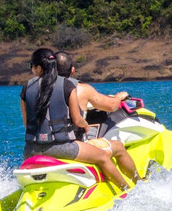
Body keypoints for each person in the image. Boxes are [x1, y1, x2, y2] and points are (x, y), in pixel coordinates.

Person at [20, 47, 132, 188]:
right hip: (61, 147)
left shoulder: (27, 88)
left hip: (30, 151)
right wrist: (85, 125)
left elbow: (27, 124)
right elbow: (77, 119)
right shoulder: (67, 85)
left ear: (37, 68)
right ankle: (126, 190)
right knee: (103, 157)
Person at [53, 50, 138, 183]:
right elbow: (110, 106)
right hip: (73, 145)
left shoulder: (42, 88)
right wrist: (119, 97)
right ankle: (136, 184)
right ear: (72, 70)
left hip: (45, 145)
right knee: (119, 147)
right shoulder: (81, 89)